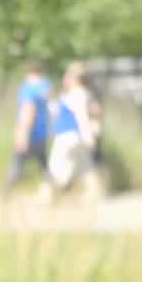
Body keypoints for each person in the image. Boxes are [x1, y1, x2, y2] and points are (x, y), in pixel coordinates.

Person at [47, 61, 97, 191]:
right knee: (85, 167)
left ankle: (50, 193)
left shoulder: (77, 94)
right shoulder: (80, 94)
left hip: (68, 135)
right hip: (75, 136)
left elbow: (81, 115)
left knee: (55, 167)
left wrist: (87, 135)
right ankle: (93, 193)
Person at [3, 61, 51, 193]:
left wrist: (22, 133)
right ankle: (52, 190)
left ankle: (5, 193)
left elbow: (28, 110)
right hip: (42, 131)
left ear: (28, 73)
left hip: (29, 133)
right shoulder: (45, 86)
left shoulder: (28, 88)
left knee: (16, 164)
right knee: (44, 164)